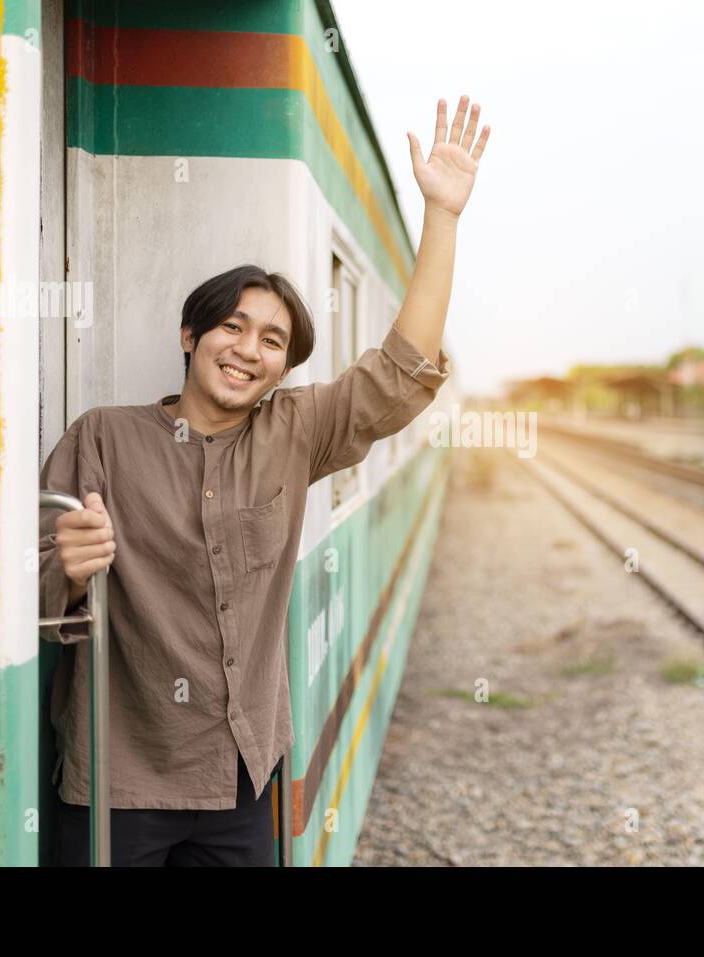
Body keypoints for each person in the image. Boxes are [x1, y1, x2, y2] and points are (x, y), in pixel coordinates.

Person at [40, 96, 490, 866]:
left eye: (273, 340)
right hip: (120, 780)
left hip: (245, 778)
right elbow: (34, 588)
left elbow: (402, 373)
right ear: (192, 336)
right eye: (232, 327)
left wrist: (441, 216)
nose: (249, 349)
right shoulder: (104, 436)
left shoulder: (295, 430)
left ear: (284, 365)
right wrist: (69, 570)